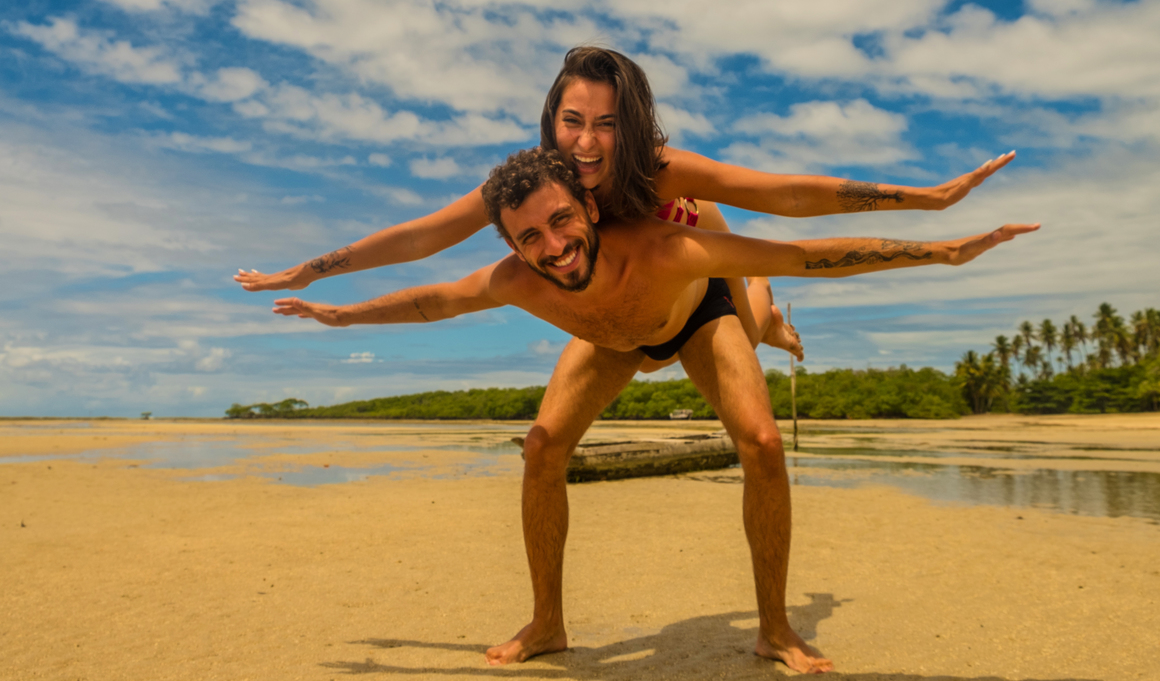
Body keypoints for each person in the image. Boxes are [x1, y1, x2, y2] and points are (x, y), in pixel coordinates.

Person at [272, 149, 1038, 675]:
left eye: (562, 221)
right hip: (614, 339)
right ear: (510, 242)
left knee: (764, 439)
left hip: (694, 315)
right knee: (542, 446)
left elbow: (805, 249)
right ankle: (547, 623)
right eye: (529, 237)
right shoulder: (518, 278)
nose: (554, 246)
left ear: (589, 207)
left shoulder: (666, 247)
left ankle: (774, 627)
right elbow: (432, 300)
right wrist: (339, 316)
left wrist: (941, 249)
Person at [236, 46, 1014, 370]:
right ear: (552, 122)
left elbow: (789, 197)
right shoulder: (537, 188)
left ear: (631, 127)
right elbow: (420, 243)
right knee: (551, 438)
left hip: (703, 270)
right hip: (627, 304)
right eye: (572, 121)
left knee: (756, 313)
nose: (586, 142)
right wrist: (309, 273)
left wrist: (932, 201)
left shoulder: (660, 169)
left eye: (606, 123)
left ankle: (773, 323)